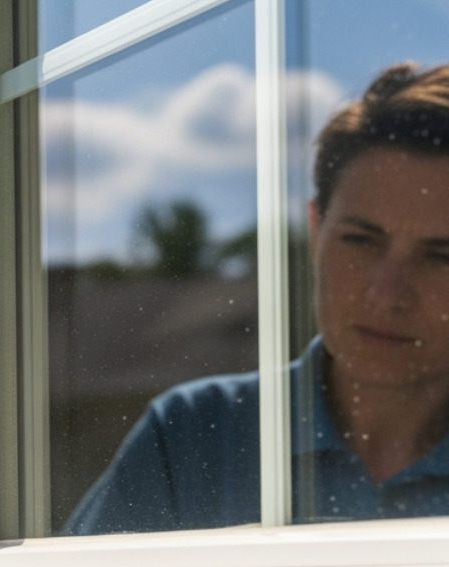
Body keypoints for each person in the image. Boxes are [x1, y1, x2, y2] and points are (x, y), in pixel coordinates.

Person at [67, 63, 449, 534]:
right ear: (315, 230)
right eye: (360, 240)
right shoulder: (194, 437)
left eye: (441, 255)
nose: (388, 294)